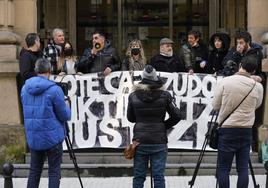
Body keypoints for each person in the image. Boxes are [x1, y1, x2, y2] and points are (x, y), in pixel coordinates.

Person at [212, 56, 263, 188]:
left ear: (241, 65)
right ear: (253, 71)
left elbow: (216, 105)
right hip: (246, 129)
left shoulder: (225, 82)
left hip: (227, 129)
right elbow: (257, 105)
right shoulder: (257, 86)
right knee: (243, 168)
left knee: (223, 168)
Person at [127, 65, 181, 188]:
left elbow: (130, 118)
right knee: (158, 176)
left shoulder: (133, 96)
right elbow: (177, 115)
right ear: (156, 77)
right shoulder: (165, 95)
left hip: (140, 141)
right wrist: (163, 126)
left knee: (139, 176)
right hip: (159, 141)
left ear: (142, 78)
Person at [21, 58, 71, 188]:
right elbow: (65, 116)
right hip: (52, 138)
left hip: (34, 137)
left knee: (34, 171)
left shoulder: (25, 89)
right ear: (49, 71)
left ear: (36, 71)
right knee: (54, 172)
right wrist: (67, 105)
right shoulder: (55, 90)